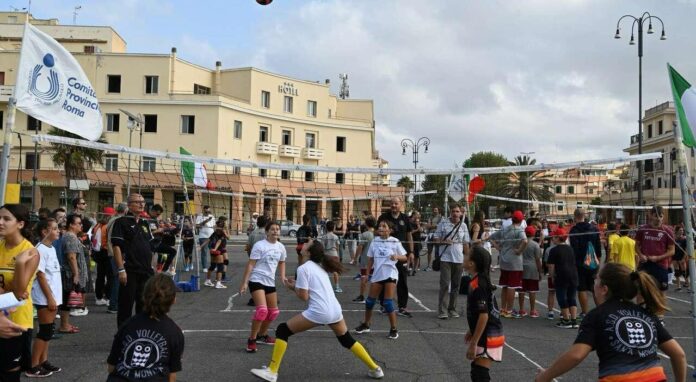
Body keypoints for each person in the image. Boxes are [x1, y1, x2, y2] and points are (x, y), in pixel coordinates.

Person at [250, 240, 384, 382]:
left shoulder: (303, 268)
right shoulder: (318, 267)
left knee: (282, 330)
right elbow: (311, 289)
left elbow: (304, 296)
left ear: (308, 252)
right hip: (335, 309)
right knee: (346, 340)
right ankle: (375, 368)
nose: (304, 243)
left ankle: (272, 371)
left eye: (307, 243)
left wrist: (292, 287)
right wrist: (297, 285)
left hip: (320, 311)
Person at [535, 262, 687, 382]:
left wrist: (546, 376)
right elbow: (679, 354)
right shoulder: (646, 314)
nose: (594, 281)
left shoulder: (597, 315)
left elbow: (576, 355)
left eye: (597, 279)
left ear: (603, 289)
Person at [107, 274, 185, 381]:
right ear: (173, 300)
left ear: (144, 296)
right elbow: (172, 376)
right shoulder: (175, 332)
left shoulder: (127, 324)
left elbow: (111, 366)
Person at [0, 204, 40, 380]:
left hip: (15, 321)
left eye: (6, 219)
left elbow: (18, 294)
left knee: (9, 373)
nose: (0, 222)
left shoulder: (30, 251)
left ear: (21, 224)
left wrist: (19, 264)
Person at [354, 220, 407, 340]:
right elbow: (370, 259)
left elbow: (405, 257)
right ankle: (366, 324)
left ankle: (394, 329)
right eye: (380, 226)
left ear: (390, 230)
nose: (381, 228)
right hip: (378, 274)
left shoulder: (395, 241)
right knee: (369, 302)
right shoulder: (375, 241)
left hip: (390, 274)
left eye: (384, 226)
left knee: (387, 303)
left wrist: (397, 256)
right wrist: (367, 275)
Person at [240, 222, 287, 353]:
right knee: (262, 311)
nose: (275, 231)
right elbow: (251, 264)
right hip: (257, 279)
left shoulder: (281, 247)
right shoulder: (259, 245)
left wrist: (283, 277)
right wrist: (244, 282)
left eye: (277, 229)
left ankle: (262, 335)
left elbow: (282, 262)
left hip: (270, 281)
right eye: (272, 229)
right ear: (267, 232)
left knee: (273, 312)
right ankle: (252, 340)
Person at [111, 193, 155, 328]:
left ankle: (140, 334)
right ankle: (123, 335)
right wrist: (121, 269)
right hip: (130, 270)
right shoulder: (120, 222)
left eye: (143, 202)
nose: (142, 204)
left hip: (146, 271)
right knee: (126, 305)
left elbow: (150, 246)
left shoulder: (144, 223)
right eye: (138, 202)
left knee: (144, 305)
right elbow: (117, 247)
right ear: (129, 205)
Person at [27, 218, 63, 378]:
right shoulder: (40, 249)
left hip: (53, 296)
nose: (58, 231)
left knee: (48, 331)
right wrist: (50, 298)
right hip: (44, 297)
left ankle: (43, 360)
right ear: (44, 231)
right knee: (45, 331)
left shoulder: (51, 248)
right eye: (54, 228)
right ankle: (33, 366)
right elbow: (40, 275)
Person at [465, 246, 504, 382]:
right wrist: (471, 330)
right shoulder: (476, 281)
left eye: (467, 255)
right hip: (486, 332)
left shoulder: (479, 284)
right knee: (476, 370)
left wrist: (473, 343)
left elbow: (484, 315)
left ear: (472, 263)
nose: (464, 256)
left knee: (479, 374)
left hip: (489, 334)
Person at [377, 197, 414, 318]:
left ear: (400, 205)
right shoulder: (383, 217)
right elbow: (377, 233)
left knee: (402, 281)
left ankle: (402, 307)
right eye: (392, 203)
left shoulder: (405, 218)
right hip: (385, 256)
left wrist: (411, 252)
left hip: (401, 255)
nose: (394, 205)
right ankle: (383, 305)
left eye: (396, 203)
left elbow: (409, 235)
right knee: (384, 279)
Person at [433, 204, 470, 319]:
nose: (455, 213)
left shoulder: (463, 226)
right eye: (453, 211)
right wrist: (444, 241)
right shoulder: (443, 223)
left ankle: (452, 309)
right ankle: (442, 311)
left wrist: (467, 259)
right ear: (450, 212)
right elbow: (435, 239)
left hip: (458, 260)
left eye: (457, 211)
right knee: (444, 285)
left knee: (456, 286)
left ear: (461, 213)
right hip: (446, 259)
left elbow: (466, 243)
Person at [489, 210, 527, 318]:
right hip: (514, 262)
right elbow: (525, 241)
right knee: (512, 286)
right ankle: (509, 311)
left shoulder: (505, 229)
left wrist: (497, 247)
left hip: (504, 261)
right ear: (521, 220)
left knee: (505, 286)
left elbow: (491, 237)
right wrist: (519, 250)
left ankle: (502, 309)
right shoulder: (519, 230)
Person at [568, 208, 602, 317]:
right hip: (593, 261)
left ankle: (585, 312)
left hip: (579, 263)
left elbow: (573, 249)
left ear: (575, 216)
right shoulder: (594, 228)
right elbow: (598, 248)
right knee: (593, 287)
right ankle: (601, 310)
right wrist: (598, 265)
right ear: (584, 216)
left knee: (581, 288)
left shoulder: (574, 230)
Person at [636, 206, 675, 297]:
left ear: (663, 217)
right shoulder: (643, 229)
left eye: (660, 216)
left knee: (661, 292)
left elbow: (672, 251)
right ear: (650, 215)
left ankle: (659, 310)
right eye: (656, 216)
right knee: (641, 291)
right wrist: (640, 255)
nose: (658, 219)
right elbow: (636, 246)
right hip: (645, 264)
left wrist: (658, 257)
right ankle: (640, 310)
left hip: (661, 265)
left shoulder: (667, 231)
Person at [546, 228, 579, 329]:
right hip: (573, 275)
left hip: (561, 275)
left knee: (562, 297)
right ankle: (574, 320)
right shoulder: (570, 248)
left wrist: (552, 276)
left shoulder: (553, 250)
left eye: (553, 237)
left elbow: (551, 266)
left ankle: (566, 320)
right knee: (572, 297)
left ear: (557, 238)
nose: (552, 239)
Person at [61, 214, 89, 322]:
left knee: (67, 300)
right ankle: (64, 325)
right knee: (67, 300)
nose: (81, 225)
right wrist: (76, 274)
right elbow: (71, 257)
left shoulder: (72, 236)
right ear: (71, 225)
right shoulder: (70, 237)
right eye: (78, 223)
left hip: (71, 272)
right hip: (70, 273)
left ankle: (65, 324)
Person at [106, 203, 127, 314]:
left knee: (115, 279)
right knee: (117, 279)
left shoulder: (112, 220)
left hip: (112, 252)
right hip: (115, 253)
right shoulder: (118, 221)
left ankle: (114, 303)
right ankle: (113, 305)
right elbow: (116, 241)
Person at [517, 226, 542, 318]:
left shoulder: (520, 243)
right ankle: (532, 310)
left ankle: (521, 309)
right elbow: (538, 259)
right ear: (534, 234)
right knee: (532, 290)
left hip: (521, 266)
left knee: (521, 290)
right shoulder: (535, 245)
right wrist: (540, 271)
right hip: (532, 268)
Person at [91, 207, 114, 307]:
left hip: (98, 252)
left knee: (100, 276)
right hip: (107, 252)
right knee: (110, 276)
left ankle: (98, 297)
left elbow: (92, 235)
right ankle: (109, 297)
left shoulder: (98, 225)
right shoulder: (109, 226)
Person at [352, 216, 376, 303]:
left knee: (363, 278)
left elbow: (360, 247)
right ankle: (374, 297)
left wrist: (355, 258)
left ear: (366, 224)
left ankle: (362, 296)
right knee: (375, 278)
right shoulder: (377, 234)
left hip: (366, 260)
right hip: (375, 260)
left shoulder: (364, 234)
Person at [320, 221, 342, 292]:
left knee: (324, 271)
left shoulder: (324, 237)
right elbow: (337, 246)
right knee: (335, 271)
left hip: (326, 254)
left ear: (326, 228)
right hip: (334, 254)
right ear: (333, 228)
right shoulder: (335, 236)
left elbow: (322, 247)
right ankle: (337, 286)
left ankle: (324, 286)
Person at [195, 205, 216, 271]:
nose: (208, 212)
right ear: (203, 210)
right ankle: (204, 267)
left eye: (209, 211)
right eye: (206, 211)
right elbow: (197, 226)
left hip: (211, 236)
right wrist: (206, 221)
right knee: (204, 252)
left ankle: (213, 266)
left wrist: (214, 232)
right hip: (203, 236)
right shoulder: (199, 216)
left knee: (213, 252)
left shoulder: (212, 216)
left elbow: (214, 225)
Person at [424, 207, 443, 271]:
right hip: (430, 235)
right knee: (429, 251)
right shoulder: (430, 217)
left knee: (437, 252)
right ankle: (428, 266)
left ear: (438, 211)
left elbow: (439, 226)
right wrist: (434, 226)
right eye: (434, 210)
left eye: (436, 210)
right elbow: (428, 226)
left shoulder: (441, 218)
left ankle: (437, 265)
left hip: (437, 236)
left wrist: (431, 226)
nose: (435, 211)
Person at [673, 225, 688, 291]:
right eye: (680, 230)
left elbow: (686, 249)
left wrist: (683, 258)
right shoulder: (674, 239)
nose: (681, 232)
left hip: (681, 257)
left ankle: (687, 284)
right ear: (677, 231)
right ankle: (678, 286)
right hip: (675, 257)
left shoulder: (684, 239)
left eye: (682, 230)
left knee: (684, 272)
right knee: (677, 272)